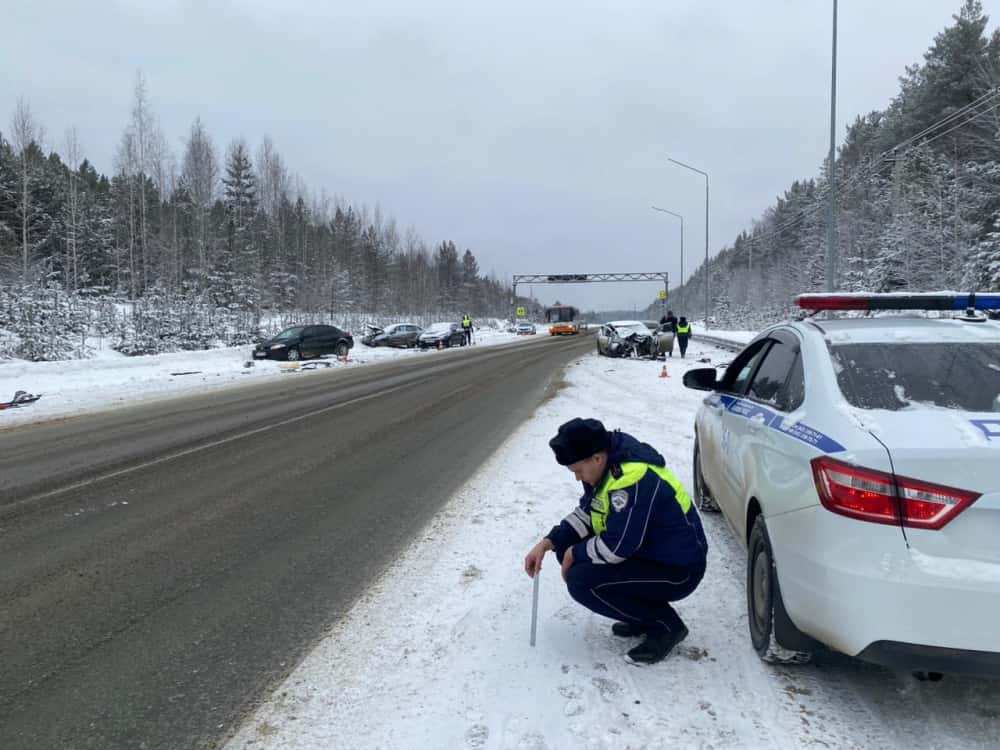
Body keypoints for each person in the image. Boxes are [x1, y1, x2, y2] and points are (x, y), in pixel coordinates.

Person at [523, 418, 707, 665]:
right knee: (568, 551)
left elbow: (618, 546)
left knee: (581, 580)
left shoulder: (632, 478)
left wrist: (574, 553)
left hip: (679, 569)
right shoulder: (607, 468)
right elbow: (589, 513)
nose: (578, 478)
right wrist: (547, 543)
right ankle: (641, 616)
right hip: (651, 554)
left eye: (578, 470)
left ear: (596, 458)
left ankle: (665, 626)